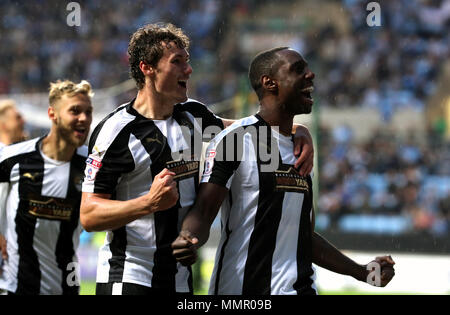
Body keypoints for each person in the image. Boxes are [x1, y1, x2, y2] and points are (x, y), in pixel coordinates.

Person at [80, 23, 314, 295]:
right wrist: (148, 203)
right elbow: (89, 214)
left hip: (181, 280)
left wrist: (298, 130)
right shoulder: (115, 132)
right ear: (147, 68)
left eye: (187, 62)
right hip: (131, 277)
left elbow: (251, 129)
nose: (188, 70)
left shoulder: (193, 116)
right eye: (176, 62)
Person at [172, 47, 396, 295]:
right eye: (298, 69)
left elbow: (303, 237)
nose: (310, 75)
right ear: (270, 83)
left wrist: (363, 272)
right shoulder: (234, 141)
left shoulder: (302, 151)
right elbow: (204, 212)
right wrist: (188, 237)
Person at [0, 80, 94, 295]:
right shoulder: (14, 158)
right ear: (52, 115)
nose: (84, 118)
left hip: (67, 287)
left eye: (88, 112)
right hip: (16, 287)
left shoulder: (92, 164)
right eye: (75, 111)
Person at [0, 99, 27, 269]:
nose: (23, 121)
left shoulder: (19, 155)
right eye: (17, 117)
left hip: (14, 248)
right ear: (3, 125)